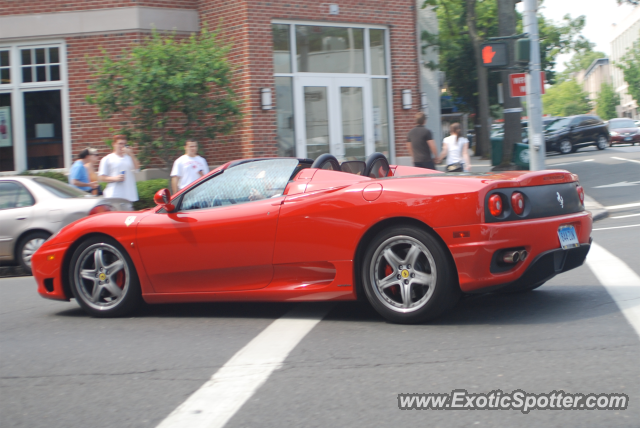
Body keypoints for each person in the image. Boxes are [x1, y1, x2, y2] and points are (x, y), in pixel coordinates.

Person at [98, 135, 139, 202]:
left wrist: (131, 154)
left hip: (128, 195)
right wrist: (115, 178)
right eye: (120, 143)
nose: (122, 146)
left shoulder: (129, 158)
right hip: (114, 195)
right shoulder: (107, 159)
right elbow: (101, 177)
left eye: (124, 144)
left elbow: (137, 168)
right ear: (114, 144)